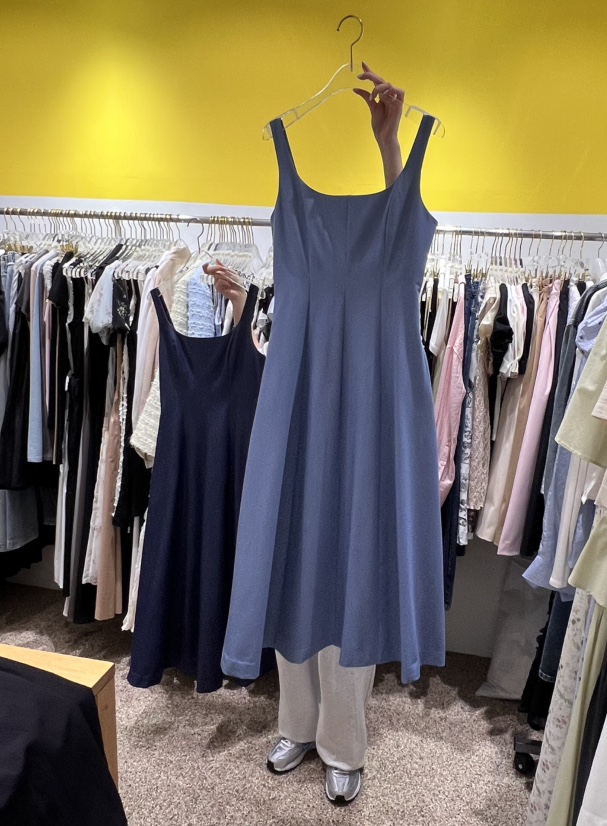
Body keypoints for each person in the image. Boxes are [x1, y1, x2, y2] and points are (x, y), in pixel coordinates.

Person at [207, 64, 411, 807]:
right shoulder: (288, 209)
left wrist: (389, 144)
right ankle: (296, 722)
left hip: (366, 416)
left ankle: (344, 742)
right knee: (293, 566)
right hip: (294, 412)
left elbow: (403, 225)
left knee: (351, 574)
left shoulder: (396, 230)